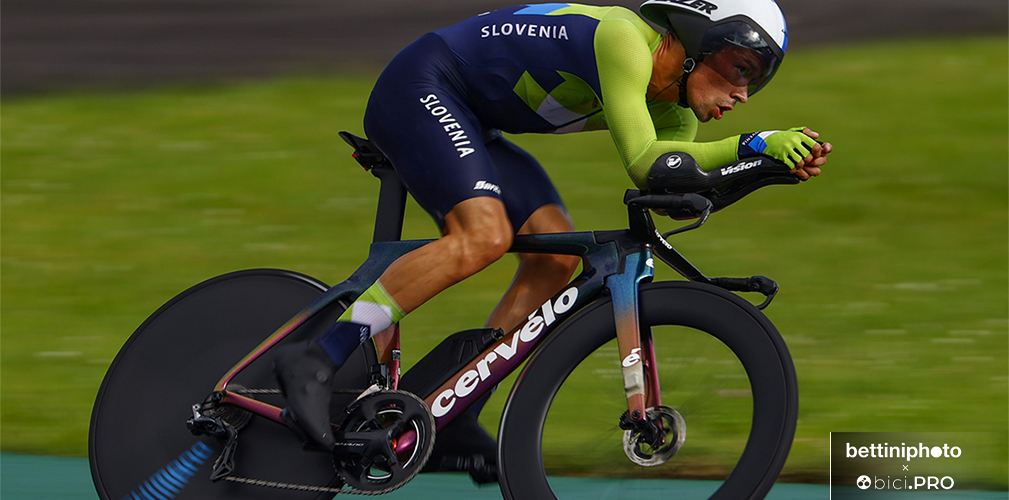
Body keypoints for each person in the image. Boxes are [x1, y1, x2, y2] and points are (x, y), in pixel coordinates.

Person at [274, 0, 832, 480]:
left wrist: (766, 170)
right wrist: (756, 144)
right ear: (695, 40)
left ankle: (458, 405)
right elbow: (645, 163)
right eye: (740, 69)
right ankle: (319, 355)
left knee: (555, 259)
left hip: (472, 120)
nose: (743, 93)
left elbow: (671, 188)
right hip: (421, 86)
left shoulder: (673, 114)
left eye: (754, 80)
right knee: (484, 236)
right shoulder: (624, 39)